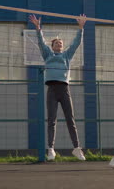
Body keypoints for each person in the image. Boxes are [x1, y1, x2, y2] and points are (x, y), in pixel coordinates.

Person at [28, 14, 87, 161]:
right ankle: (51, 149)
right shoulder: (48, 54)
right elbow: (41, 42)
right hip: (52, 90)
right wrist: (37, 27)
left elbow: (76, 44)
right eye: (56, 43)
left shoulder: (67, 56)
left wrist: (81, 27)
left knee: (70, 119)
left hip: (64, 89)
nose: (59, 44)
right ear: (52, 46)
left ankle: (77, 148)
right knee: (51, 119)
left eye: (61, 43)